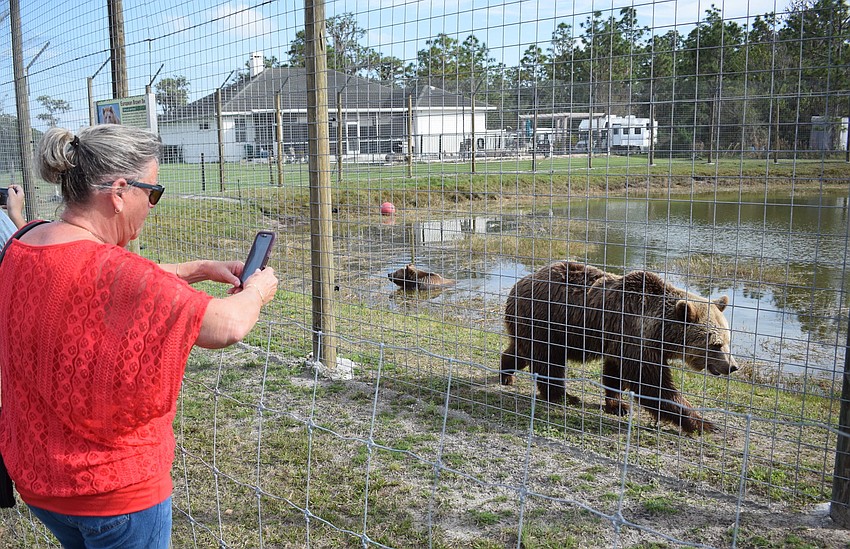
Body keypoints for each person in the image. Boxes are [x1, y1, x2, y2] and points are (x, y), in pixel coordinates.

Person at [0, 124, 278, 548]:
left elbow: (93, 281)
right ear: (118, 191)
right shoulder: (116, 271)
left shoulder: (25, 242)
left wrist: (198, 268)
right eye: (154, 192)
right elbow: (227, 324)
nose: (153, 205)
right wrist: (257, 289)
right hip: (114, 495)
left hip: (40, 480)